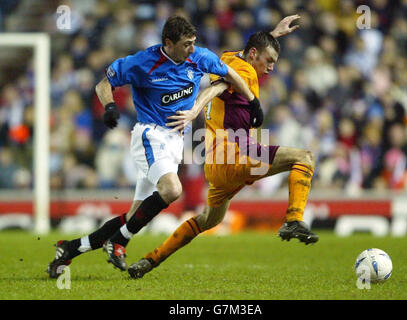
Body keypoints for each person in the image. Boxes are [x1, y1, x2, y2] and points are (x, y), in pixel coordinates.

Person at [47, 15, 260, 278]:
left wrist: (253, 102)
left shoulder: (199, 57)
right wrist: (110, 106)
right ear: (168, 43)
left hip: (175, 142)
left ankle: (69, 249)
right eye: (186, 44)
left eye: (194, 43)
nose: (191, 49)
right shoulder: (141, 63)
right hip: (151, 135)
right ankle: (120, 241)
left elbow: (230, 74)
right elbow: (103, 85)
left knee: (135, 216)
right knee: (172, 190)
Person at [127, 15, 318, 279]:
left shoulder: (230, 57)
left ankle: (150, 260)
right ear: (253, 55)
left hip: (218, 164)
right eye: (269, 61)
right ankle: (294, 220)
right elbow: (219, 85)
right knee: (304, 157)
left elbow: (246, 52)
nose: (271, 68)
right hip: (235, 154)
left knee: (209, 220)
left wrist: (273, 33)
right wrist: (194, 109)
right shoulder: (245, 70)